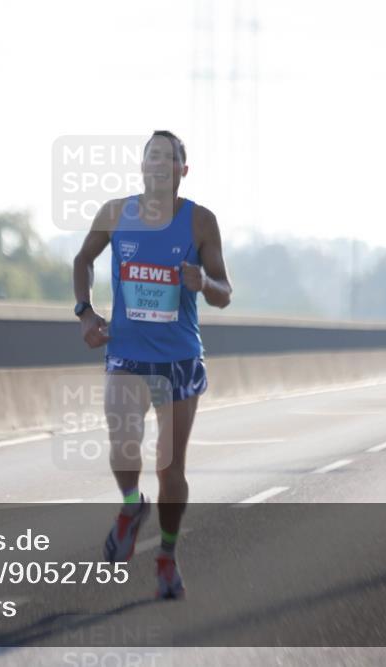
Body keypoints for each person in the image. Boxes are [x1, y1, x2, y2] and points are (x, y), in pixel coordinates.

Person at [72, 131, 232, 599]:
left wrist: (202, 280)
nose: (159, 164)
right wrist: (84, 311)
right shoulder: (116, 213)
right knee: (123, 445)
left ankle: (166, 554)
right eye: (152, 157)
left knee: (170, 468)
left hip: (179, 359)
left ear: (184, 171)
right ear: (142, 167)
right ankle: (129, 507)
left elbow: (225, 293)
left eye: (169, 158)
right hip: (125, 352)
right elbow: (83, 258)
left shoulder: (200, 222)